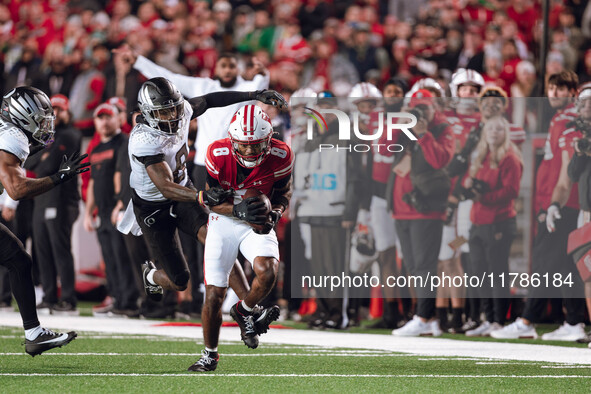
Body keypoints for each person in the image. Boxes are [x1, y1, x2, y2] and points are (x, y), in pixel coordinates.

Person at [116, 77, 287, 372]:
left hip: (183, 192)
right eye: (163, 112)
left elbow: (209, 100)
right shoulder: (143, 139)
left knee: (215, 238)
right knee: (179, 281)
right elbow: (165, 186)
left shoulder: (181, 110)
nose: (171, 116)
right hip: (154, 205)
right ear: (146, 112)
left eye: (172, 109)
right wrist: (200, 195)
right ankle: (152, 277)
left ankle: (246, 309)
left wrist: (252, 94)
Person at [492, 71, 587, 341]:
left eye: (561, 88)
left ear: (573, 92)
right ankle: (573, 321)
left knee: (544, 261)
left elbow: (566, 170)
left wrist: (551, 203)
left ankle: (527, 320)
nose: (554, 93)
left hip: (563, 202)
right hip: (564, 201)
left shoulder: (569, 120)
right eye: (551, 88)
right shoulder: (562, 119)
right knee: (569, 264)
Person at [201, 104, 292, 371]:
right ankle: (210, 354)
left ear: (269, 139)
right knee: (215, 293)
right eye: (243, 145)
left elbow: (283, 192)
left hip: (257, 220)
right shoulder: (217, 153)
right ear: (232, 141)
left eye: (256, 145)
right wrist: (236, 209)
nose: (250, 151)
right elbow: (210, 200)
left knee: (268, 269)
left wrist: (276, 211)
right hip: (224, 220)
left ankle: (244, 309)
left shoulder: (281, 153)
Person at [0, 86, 87, 355]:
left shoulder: (8, 130)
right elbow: (16, 189)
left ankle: (34, 333)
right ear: (22, 115)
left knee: (19, 259)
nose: (45, 125)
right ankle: (34, 333)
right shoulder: (12, 136)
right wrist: (59, 177)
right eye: (39, 118)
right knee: (19, 259)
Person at [390, 89, 455, 337]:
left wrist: (424, 133)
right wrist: (399, 124)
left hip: (426, 208)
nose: (420, 112)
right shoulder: (405, 126)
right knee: (412, 265)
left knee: (425, 265)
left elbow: (440, 160)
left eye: (424, 108)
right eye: (416, 107)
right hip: (401, 208)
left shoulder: (443, 129)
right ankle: (425, 316)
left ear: (434, 108)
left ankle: (425, 316)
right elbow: (385, 150)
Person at [464, 116, 523, 337]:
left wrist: (484, 196)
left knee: (497, 272)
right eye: (490, 128)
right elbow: (469, 182)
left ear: (505, 133)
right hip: (477, 220)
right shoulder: (481, 156)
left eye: (499, 128)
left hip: (499, 220)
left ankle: (499, 320)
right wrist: (469, 186)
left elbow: (511, 191)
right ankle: (487, 319)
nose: (494, 132)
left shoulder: (510, 158)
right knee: (478, 271)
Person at [83, 102, 140, 316]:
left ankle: (129, 301)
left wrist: (120, 204)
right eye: (100, 117)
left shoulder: (123, 143)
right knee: (109, 258)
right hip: (103, 212)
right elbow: (92, 184)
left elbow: (123, 177)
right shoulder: (96, 149)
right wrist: (89, 213)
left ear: (119, 119)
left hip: (119, 210)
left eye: (109, 116)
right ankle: (116, 299)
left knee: (121, 256)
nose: (104, 121)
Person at [28, 94, 82, 315]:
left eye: (60, 109)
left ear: (67, 112)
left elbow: (48, 165)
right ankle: (49, 296)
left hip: (61, 199)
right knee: (42, 249)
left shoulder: (70, 134)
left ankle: (68, 299)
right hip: (42, 198)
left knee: (60, 249)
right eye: (53, 110)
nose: (56, 114)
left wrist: (42, 160)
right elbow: (29, 162)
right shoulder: (45, 137)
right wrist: (42, 160)